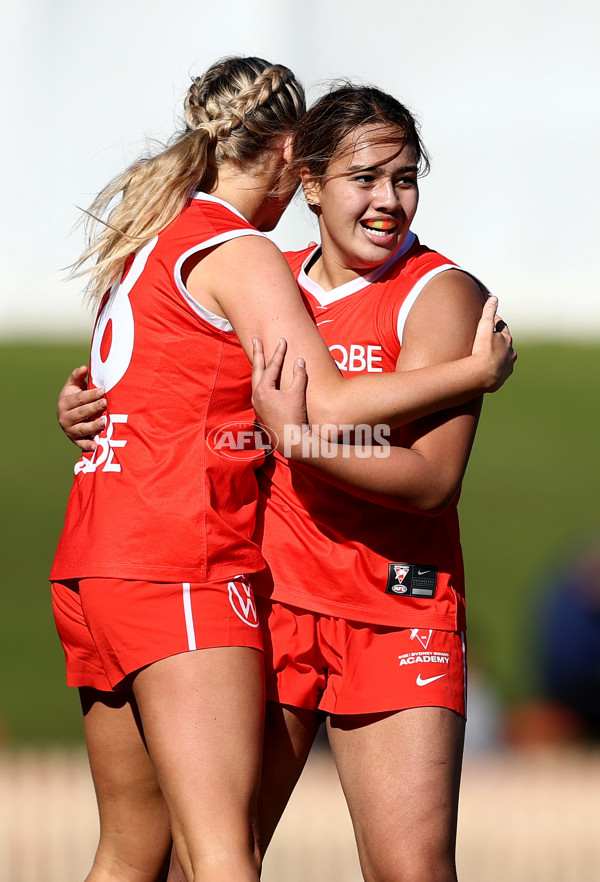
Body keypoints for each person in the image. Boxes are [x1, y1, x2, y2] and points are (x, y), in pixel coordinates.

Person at [54, 66, 515, 882]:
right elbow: (247, 392)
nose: (388, 199)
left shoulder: (440, 296)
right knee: (214, 852)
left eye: (405, 178)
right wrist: (87, 404)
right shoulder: (269, 274)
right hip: (263, 601)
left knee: (404, 870)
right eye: (364, 177)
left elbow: (433, 479)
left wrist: (302, 444)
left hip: (391, 607)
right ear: (305, 179)